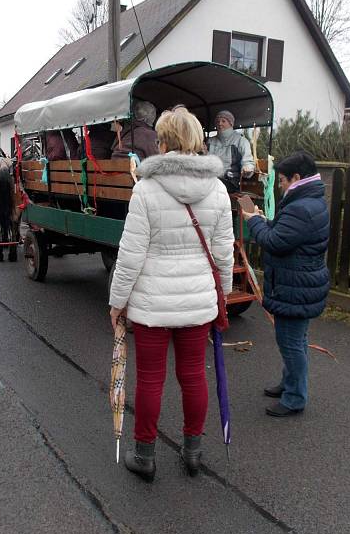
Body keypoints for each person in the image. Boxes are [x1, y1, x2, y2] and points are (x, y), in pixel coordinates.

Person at [108, 106, 234, 482]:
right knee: (194, 376)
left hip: (152, 306)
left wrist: (117, 302)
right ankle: (193, 451)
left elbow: (130, 254)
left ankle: (145, 454)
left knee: (150, 380)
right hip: (197, 303)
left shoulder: (145, 189)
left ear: (163, 142)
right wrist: (221, 296)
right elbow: (224, 251)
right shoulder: (218, 189)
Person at [241, 151, 330, 417]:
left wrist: (253, 220)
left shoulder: (301, 207)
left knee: (290, 342)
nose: (279, 186)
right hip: (299, 283)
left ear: (296, 178)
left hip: (295, 285)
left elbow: (275, 242)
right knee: (296, 340)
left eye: (281, 180)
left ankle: (295, 398)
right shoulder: (308, 202)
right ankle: (290, 384)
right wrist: (264, 221)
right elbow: (284, 234)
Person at [207, 110, 256, 192]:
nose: (220, 123)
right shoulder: (210, 141)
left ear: (231, 123)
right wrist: (203, 154)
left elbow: (247, 162)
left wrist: (247, 169)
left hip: (230, 181)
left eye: (223, 121)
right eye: (218, 121)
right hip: (211, 178)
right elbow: (206, 162)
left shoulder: (241, 141)